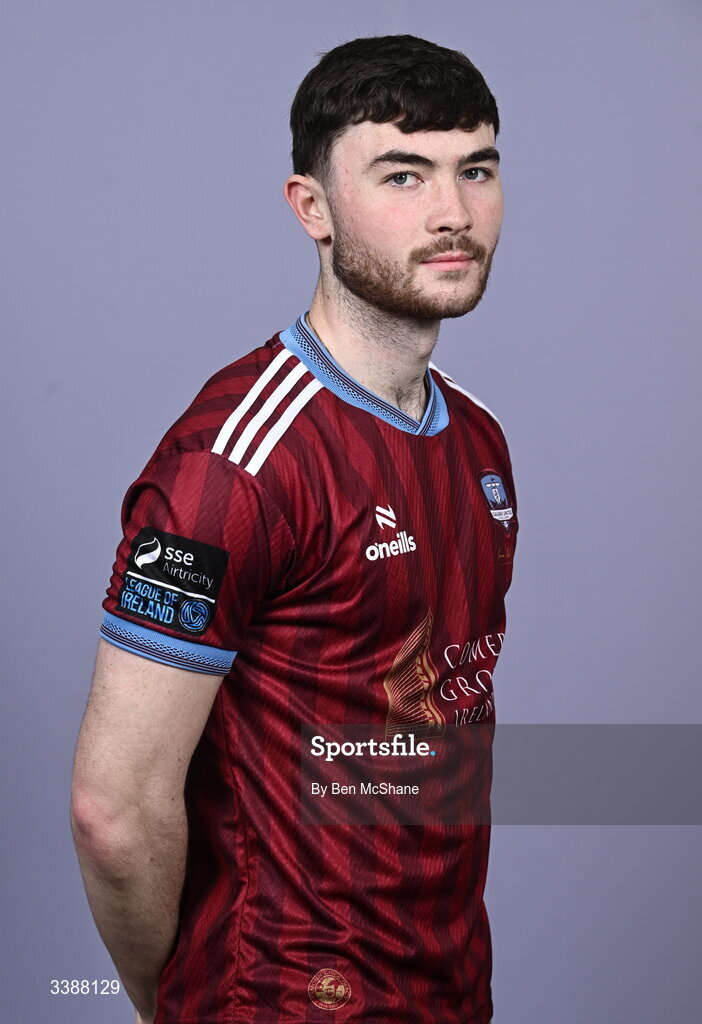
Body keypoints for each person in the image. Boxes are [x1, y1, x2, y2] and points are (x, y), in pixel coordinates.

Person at [70, 33, 518, 1024]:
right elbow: (113, 810)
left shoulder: (480, 440)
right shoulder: (234, 464)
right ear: (309, 207)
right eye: (402, 175)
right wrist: (180, 1004)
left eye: (474, 169)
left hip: (449, 994)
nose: (452, 212)